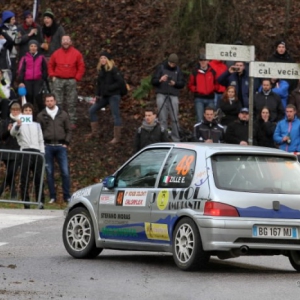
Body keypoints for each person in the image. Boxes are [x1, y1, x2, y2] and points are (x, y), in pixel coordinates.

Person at [37, 93, 71, 204]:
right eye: (47, 101)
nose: (49, 102)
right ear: (45, 102)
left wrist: (66, 142)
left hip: (61, 146)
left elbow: (69, 130)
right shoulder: (41, 115)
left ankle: (67, 196)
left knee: (65, 172)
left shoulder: (63, 114)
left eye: (51, 100)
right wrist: (42, 145)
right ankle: (52, 196)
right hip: (48, 146)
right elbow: (39, 131)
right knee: (49, 172)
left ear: (55, 101)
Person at [10, 103, 45, 208]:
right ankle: (26, 202)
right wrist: (17, 125)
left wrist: (42, 153)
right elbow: (13, 133)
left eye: (30, 110)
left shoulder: (37, 125)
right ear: (23, 112)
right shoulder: (19, 124)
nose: (28, 112)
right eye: (26, 110)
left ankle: (40, 202)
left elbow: (41, 140)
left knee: (38, 178)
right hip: (25, 151)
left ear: (32, 112)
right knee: (24, 178)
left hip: (37, 152)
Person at [48, 35, 85, 128]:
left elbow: (81, 66)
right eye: (64, 40)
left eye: (67, 40)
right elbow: (50, 65)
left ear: (70, 42)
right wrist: (52, 75)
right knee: (57, 101)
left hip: (71, 80)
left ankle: (72, 120)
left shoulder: (77, 53)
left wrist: (77, 78)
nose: (65, 42)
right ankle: (58, 120)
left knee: (71, 101)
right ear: (61, 42)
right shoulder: (56, 53)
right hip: (58, 80)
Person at [86, 51, 123, 143]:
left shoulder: (113, 70)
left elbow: (120, 82)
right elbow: (99, 84)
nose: (103, 60)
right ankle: (95, 132)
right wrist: (97, 95)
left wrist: (109, 88)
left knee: (115, 115)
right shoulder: (101, 70)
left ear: (108, 60)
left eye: (104, 58)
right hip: (104, 96)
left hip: (113, 95)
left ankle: (117, 137)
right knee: (92, 110)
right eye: (101, 58)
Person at [151, 53, 185, 142]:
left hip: (173, 95)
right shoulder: (161, 68)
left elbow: (182, 83)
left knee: (174, 118)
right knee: (162, 118)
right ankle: (164, 138)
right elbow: (153, 81)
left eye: (174, 64)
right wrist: (160, 80)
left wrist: (175, 84)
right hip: (161, 94)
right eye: (170, 63)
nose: (172, 65)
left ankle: (176, 138)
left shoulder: (178, 70)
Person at [18, 40, 48, 112]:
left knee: (38, 97)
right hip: (27, 80)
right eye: (31, 46)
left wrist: (43, 78)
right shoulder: (24, 57)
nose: (33, 48)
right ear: (29, 47)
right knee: (29, 97)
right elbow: (21, 70)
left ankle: (42, 115)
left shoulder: (41, 57)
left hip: (38, 80)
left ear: (37, 47)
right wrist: (21, 81)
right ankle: (29, 115)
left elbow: (45, 69)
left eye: (35, 46)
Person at [0, 102, 21, 198]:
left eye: (17, 110)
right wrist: (8, 131)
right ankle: (13, 193)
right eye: (14, 110)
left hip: (18, 149)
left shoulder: (23, 120)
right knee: (10, 172)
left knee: (12, 171)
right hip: (7, 150)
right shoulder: (5, 121)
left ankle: (2, 190)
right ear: (11, 110)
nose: (15, 112)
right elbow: (2, 137)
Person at [188, 54, 217, 123]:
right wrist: (196, 89)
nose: (203, 62)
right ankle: (198, 133)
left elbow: (216, 83)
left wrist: (213, 88)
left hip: (210, 98)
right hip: (199, 98)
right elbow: (191, 84)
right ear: (199, 61)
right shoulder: (195, 72)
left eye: (204, 60)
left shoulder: (212, 72)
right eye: (201, 60)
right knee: (199, 119)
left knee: (211, 118)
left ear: (208, 61)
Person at [0, 10, 21, 87]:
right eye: (12, 19)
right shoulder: (2, 29)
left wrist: (18, 37)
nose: (14, 21)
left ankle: (10, 88)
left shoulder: (15, 29)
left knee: (13, 72)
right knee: (5, 72)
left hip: (12, 54)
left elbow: (16, 42)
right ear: (7, 19)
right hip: (4, 54)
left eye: (14, 19)